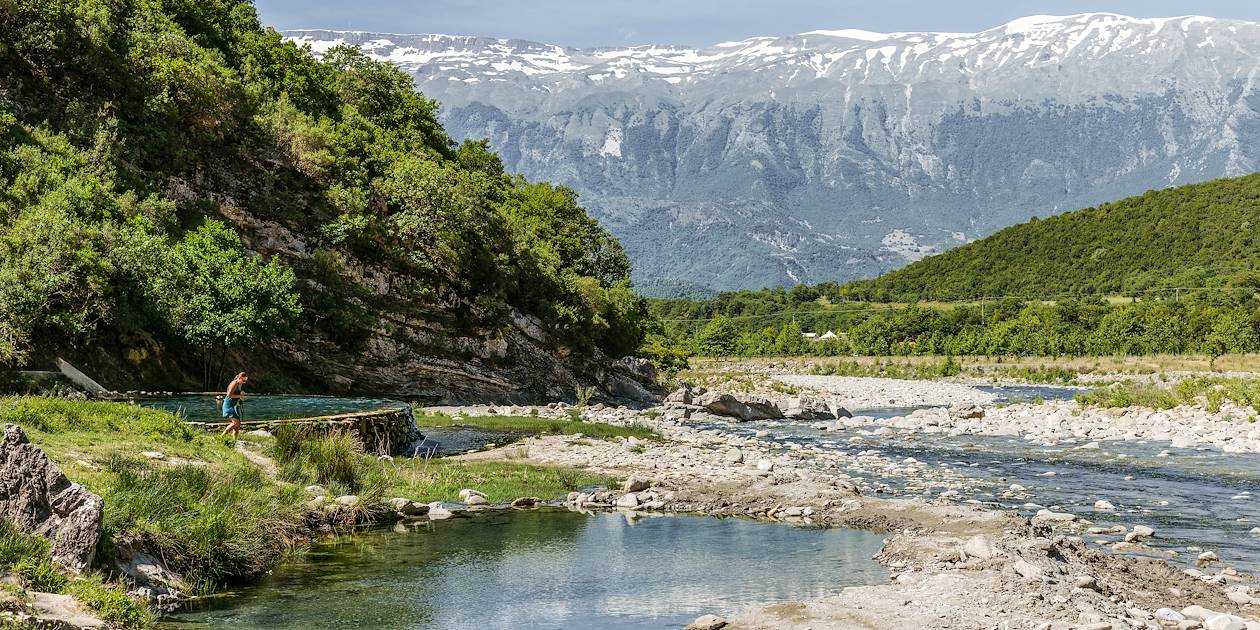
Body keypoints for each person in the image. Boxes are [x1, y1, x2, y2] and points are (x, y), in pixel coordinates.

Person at [221, 372, 248, 438]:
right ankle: (222, 436)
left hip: (234, 405)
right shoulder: (235, 383)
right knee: (235, 423)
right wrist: (239, 396)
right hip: (229, 404)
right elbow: (229, 395)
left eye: (246, 381)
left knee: (238, 425)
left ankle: (234, 441)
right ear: (239, 378)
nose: (244, 382)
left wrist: (241, 393)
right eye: (243, 380)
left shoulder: (239, 383)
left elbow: (236, 393)